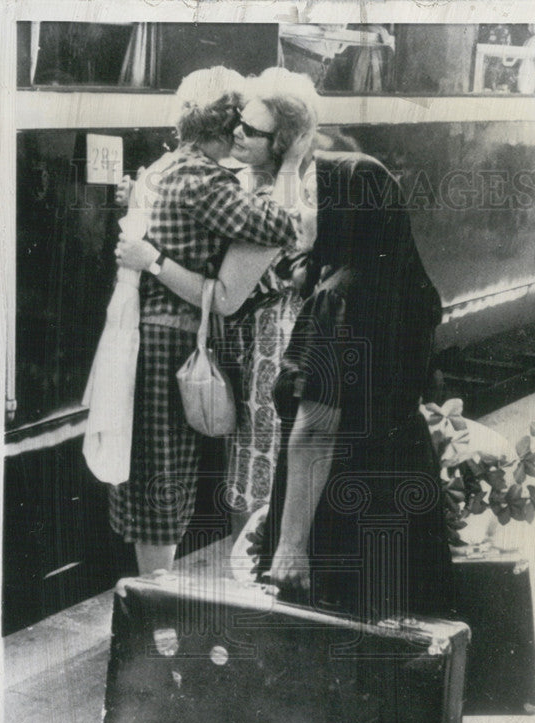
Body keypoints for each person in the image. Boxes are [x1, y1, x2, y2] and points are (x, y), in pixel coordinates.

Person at [108, 66, 300, 575]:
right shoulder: (202, 181)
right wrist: (291, 163)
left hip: (149, 338)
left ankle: (152, 591)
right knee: (164, 477)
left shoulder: (163, 169)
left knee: (152, 472)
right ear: (227, 122)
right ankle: (155, 598)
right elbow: (283, 225)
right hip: (173, 341)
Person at [258, 147, 455, 622]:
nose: (297, 211)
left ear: (346, 210)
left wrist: (290, 544)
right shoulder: (408, 284)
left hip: (343, 509)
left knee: (328, 651)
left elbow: (316, 433)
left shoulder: (337, 301)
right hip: (406, 498)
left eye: (311, 199)